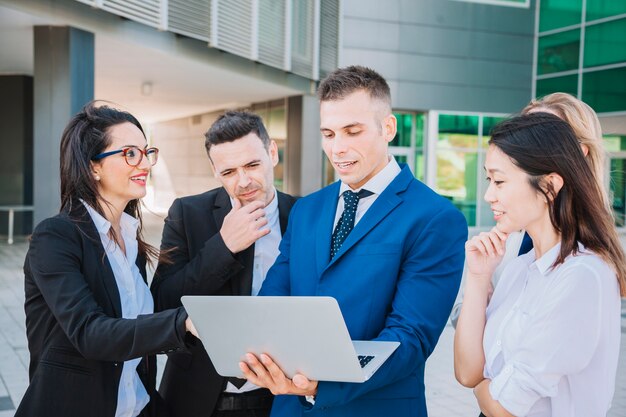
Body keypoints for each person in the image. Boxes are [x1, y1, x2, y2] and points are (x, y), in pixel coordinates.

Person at [237, 65, 468, 417]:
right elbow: (274, 299)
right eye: (328, 134)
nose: (338, 148)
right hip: (291, 407)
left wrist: (321, 385)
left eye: (352, 131)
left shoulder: (436, 218)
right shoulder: (307, 210)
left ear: (387, 128)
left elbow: (410, 338)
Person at [16, 102, 196, 417]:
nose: (144, 163)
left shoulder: (131, 240)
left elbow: (138, 334)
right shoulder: (55, 237)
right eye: (130, 153)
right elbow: (90, 332)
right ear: (93, 167)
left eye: (146, 152)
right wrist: (183, 323)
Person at [454, 113, 625, 417]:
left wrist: (484, 384)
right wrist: (479, 278)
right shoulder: (520, 269)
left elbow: (504, 408)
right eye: (489, 180)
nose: (488, 195)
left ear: (549, 186)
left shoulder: (582, 276)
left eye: (500, 181)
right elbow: (467, 372)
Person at [150, 111, 297, 417]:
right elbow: (163, 302)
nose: (243, 181)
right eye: (229, 171)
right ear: (214, 171)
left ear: (272, 153)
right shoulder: (187, 214)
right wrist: (223, 247)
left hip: (282, 396)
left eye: (252, 165)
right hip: (197, 396)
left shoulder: (304, 214)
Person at [449, 92, 609, 328]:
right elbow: (462, 316)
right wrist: (482, 297)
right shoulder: (509, 237)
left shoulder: (586, 265)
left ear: (577, 154)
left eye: (543, 136)